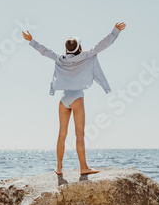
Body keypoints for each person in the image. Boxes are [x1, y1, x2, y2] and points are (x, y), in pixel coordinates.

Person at [22, 22, 126, 177]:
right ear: (79, 48)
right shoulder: (86, 56)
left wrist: (31, 40)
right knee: (79, 135)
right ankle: (83, 167)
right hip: (77, 98)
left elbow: (44, 51)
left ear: (66, 48)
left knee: (61, 134)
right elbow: (102, 45)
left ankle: (59, 167)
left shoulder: (60, 58)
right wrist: (115, 31)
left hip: (63, 99)